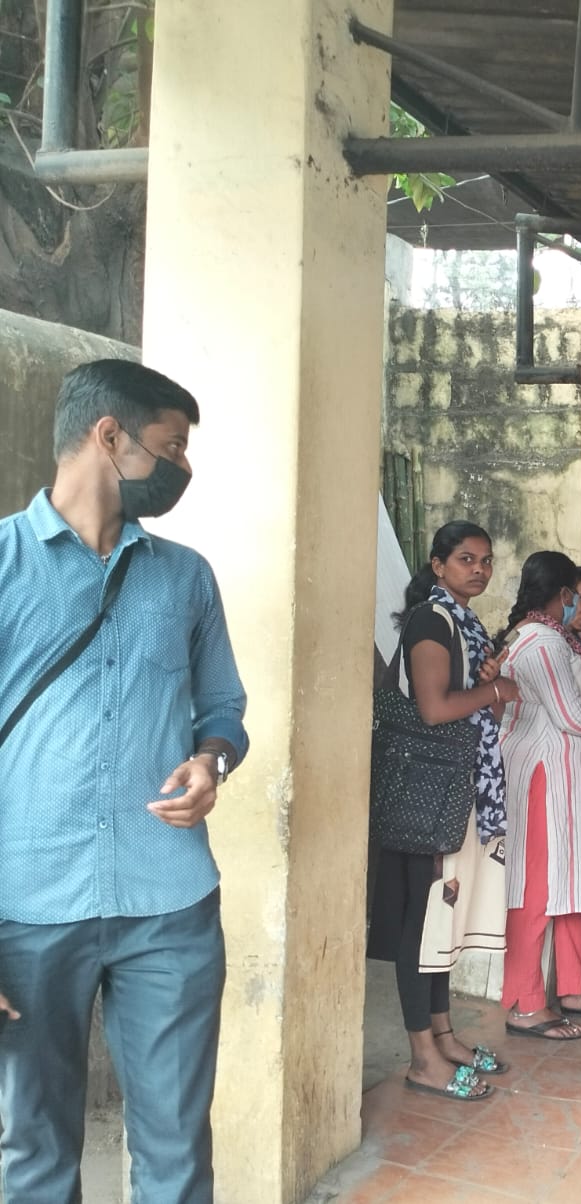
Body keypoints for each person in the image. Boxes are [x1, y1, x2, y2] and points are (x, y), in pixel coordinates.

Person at [0, 360, 248, 1200]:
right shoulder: (1, 565)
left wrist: (211, 760)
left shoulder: (185, 577)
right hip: (26, 909)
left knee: (177, 1149)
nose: (183, 466)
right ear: (110, 436)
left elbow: (224, 707)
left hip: (169, 906)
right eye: (171, 445)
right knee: (34, 1148)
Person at [371, 521, 511, 1101]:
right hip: (425, 795)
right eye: (464, 559)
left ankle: (443, 1034)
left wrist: (486, 685)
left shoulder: (462, 620)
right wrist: (496, 692)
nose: (477, 569)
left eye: (484, 560)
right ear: (437, 565)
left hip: (448, 790)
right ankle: (422, 1058)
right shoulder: (433, 620)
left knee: (437, 923)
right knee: (419, 927)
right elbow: (433, 709)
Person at [497, 552, 581, 1040]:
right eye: (576, 597)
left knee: (572, 881)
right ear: (563, 595)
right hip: (542, 774)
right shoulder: (539, 643)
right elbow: (575, 717)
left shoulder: (558, 640)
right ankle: (523, 1001)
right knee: (535, 888)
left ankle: (577, 986)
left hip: (566, 776)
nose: (579, 606)